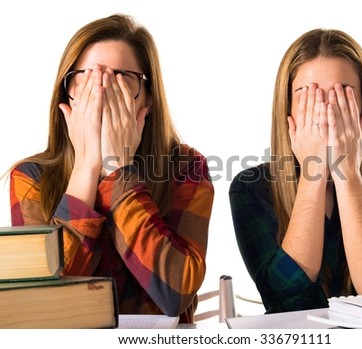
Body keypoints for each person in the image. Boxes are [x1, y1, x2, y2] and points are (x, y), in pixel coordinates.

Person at [9, 14, 214, 323]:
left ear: (148, 99)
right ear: (67, 96)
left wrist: (117, 169)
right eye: (88, 80)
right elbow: (40, 303)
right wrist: (87, 166)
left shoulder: (186, 166)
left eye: (120, 79)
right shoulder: (30, 177)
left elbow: (177, 291)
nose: (102, 93)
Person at [229, 28, 362, 314]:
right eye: (308, 95)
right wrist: (313, 173)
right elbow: (286, 302)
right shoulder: (252, 187)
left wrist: (347, 171)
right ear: (286, 108)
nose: (324, 110)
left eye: (342, 95)